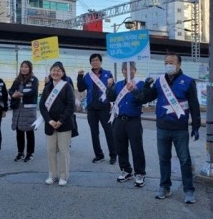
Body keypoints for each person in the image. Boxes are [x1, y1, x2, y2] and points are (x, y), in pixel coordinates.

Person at [131, 53, 200, 203]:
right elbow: (145, 98)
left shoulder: (188, 81)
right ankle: (164, 186)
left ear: (179, 64)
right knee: (164, 159)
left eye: (171, 62)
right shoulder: (159, 81)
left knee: (184, 160)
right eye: (166, 62)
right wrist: (146, 86)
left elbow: (194, 105)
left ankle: (188, 190)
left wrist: (196, 125)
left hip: (180, 128)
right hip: (162, 127)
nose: (168, 64)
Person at [106, 61, 147, 187]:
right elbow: (110, 98)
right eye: (125, 69)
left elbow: (143, 98)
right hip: (119, 120)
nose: (128, 71)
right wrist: (109, 86)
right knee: (120, 147)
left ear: (135, 70)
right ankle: (126, 170)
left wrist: (134, 90)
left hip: (133, 120)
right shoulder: (118, 84)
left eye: (131, 69)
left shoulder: (140, 83)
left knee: (137, 147)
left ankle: (140, 173)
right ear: (122, 71)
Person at [39, 61, 75, 186]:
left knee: (64, 150)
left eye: (58, 70)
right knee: (50, 150)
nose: (55, 72)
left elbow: (71, 106)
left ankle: (63, 176)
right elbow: (42, 106)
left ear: (63, 73)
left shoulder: (67, 86)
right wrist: (50, 120)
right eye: (53, 70)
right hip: (50, 124)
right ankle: (52, 175)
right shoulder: (47, 87)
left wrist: (60, 121)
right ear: (50, 72)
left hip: (64, 124)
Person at [77, 53, 117, 164]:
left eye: (97, 60)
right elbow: (80, 88)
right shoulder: (87, 75)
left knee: (109, 132)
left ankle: (113, 155)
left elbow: (113, 91)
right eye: (93, 60)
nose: (95, 62)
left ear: (100, 61)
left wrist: (111, 84)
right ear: (90, 63)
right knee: (94, 133)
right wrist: (79, 76)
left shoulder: (108, 74)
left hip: (104, 107)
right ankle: (99, 155)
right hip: (92, 108)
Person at [9, 60, 39, 162]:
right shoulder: (17, 80)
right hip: (18, 108)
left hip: (29, 109)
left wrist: (22, 95)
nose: (24, 69)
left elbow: (34, 91)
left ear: (30, 68)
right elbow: (11, 90)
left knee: (29, 132)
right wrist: (13, 94)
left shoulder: (34, 79)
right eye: (22, 67)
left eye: (26, 67)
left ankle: (30, 153)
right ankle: (20, 152)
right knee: (19, 132)